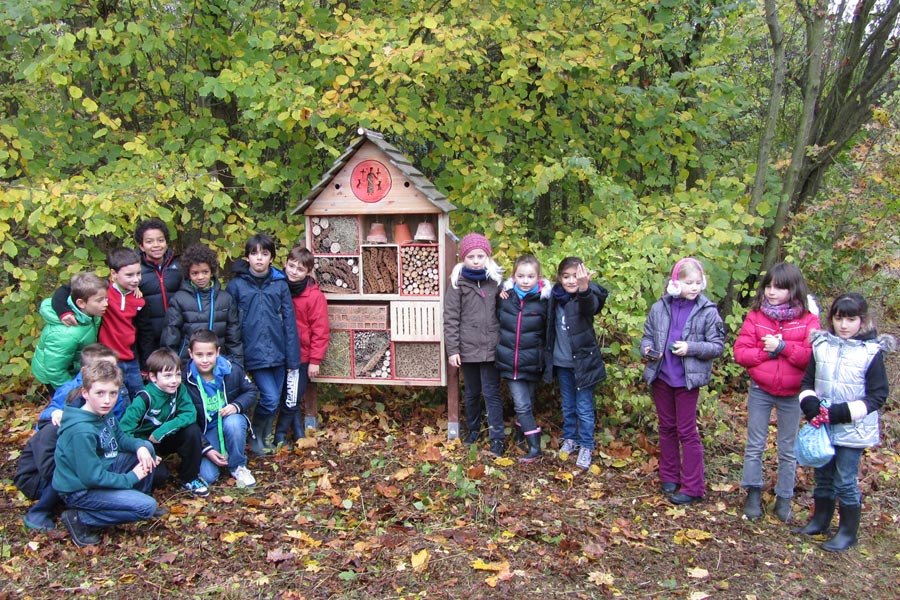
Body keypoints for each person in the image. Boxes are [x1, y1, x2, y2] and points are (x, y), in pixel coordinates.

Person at [794, 293, 894, 552]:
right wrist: (810, 404)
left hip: (853, 429)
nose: (844, 325)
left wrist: (843, 413)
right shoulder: (822, 345)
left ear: (863, 321)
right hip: (823, 426)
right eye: (839, 319)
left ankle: (848, 533)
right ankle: (820, 521)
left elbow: (877, 395)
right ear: (832, 319)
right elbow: (808, 382)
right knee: (823, 476)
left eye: (851, 319)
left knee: (845, 480)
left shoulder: (871, 353)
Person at [734, 262, 820, 522]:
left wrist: (782, 347)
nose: (772, 292)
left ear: (793, 290)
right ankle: (752, 493)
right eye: (769, 286)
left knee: (788, 448)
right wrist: (765, 353)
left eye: (779, 288)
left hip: (793, 393)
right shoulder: (757, 316)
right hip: (761, 388)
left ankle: (784, 499)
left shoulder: (809, 320)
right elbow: (741, 352)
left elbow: (812, 358)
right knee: (755, 444)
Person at [640, 257, 724, 505]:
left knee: (687, 432)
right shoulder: (660, 308)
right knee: (666, 427)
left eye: (698, 282)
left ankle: (693, 487)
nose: (695, 287)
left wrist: (691, 347)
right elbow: (647, 336)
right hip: (662, 376)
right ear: (675, 284)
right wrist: (646, 350)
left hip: (687, 380)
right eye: (689, 283)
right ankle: (669, 476)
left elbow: (717, 346)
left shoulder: (708, 311)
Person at [52, 361, 160, 547]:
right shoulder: (81, 431)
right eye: (100, 393)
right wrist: (131, 477)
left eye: (113, 393)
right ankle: (80, 518)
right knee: (147, 508)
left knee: (146, 448)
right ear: (85, 393)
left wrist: (140, 446)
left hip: (104, 466)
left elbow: (120, 439)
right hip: (81, 490)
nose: (107, 400)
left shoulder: (103, 413)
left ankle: (130, 499)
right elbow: (92, 477)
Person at [226, 233, 301, 455]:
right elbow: (231, 324)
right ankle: (256, 437)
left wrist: (292, 357)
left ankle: (266, 438)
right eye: (254, 253)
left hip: (278, 351)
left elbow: (289, 322)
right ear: (247, 257)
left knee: (275, 398)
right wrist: (235, 356)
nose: (259, 258)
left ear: (271, 258)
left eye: (265, 254)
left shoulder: (279, 284)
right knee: (268, 397)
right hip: (253, 353)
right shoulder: (236, 286)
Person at [50, 248, 147, 401]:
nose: (135, 279)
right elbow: (65, 290)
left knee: (140, 398)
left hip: (131, 358)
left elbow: (141, 330)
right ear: (113, 274)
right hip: (107, 359)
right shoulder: (102, 292)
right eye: (129, 275)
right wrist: (64, 311)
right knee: (119, 401)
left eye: (138, 274)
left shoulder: (138, 297)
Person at [544, 257, 609, 471]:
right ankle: (570, 438)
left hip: (583, 364)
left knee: (584, 407)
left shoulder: (587, 295)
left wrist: (584, 287)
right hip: (562, 362)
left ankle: (587, 444)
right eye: (566, 276)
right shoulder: (555, 296)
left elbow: (591, 307)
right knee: (568, 404)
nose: (571, 280)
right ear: (559, 278)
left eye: (575, 276)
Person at [443, 233, 504, 456]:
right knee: (471, 393)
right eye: (471, 256)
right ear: (463, 258)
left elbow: (507, 309)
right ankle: (473, 430)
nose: (476, 260)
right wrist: (453, 350)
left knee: (491, 393)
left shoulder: (496, 282)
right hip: (467, 349)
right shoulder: (457, 282)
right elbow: (450, 317)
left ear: (487, 257)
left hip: (491, 348)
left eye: (480, 256)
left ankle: (497, 437)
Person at [120, 348, 209, 497]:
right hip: (144, 444)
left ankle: (190, 477)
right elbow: (123, 431)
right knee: (160, 476)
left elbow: (190, 413)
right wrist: (142, 447)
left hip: (162, 437)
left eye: (177, 375)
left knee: (192, 430)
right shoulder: (144, 398)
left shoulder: (179, 389)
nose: (174, 380)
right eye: (167, 376)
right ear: (153, 377)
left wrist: (163, 430)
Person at [183, 329, 258, 488]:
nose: (205, 360)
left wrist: (236, 406)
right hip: (206, 430)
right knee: (207, 476)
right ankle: (220, 452)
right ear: (190, 354)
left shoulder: (232, 369)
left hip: (229, 422)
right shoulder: (185, 379)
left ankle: (238, 465)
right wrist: (207, 449)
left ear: (217, 352)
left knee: (234, 423)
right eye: (199, 355)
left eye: (209, 354)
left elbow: (251, 391)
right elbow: (186, 421)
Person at [495, 255, 550, 462]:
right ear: (513, 276)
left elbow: (548, 333)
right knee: (522, 405)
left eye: (530, 276)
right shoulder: (505, 298)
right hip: (511, 361)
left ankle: (519, 436)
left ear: (538, 277)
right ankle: (535, 447)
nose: (525, 280)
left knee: (527, 402)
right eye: (521, 276)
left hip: (533, 362)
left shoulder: (544, 301)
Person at [277, 245, 330, 446]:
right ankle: (297, 432)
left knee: (294, 396)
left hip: (301, 355)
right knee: (283, 395)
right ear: (285, 264)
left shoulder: (313, 296)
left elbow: (320, 329)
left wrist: (315, 360)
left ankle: (286, 435)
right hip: (279, 352)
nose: (293, 272)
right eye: (291, 266)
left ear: (308, 272)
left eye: (300, 269)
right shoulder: (278, 286)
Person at [161, 243, 243, 366]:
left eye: (205, 272)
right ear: (188, 273)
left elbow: (233, 338)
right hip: (187, 363)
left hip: (218, 362)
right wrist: (172, 364)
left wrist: (237, 365)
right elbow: (171, 335)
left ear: (212, 272)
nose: (200, 277)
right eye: (195, 273)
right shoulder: (179, 299)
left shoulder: (225, 299)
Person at [31, 273, 108, 390]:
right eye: (100, 300)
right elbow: (55, 371)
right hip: (55, 376)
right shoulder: (65, 334)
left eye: (106, 298)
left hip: (75, 367)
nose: (106, 304)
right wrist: (72, 393)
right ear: (81, 303)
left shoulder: (91, 314)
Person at [133, 218, 183, 372]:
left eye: (160, 240)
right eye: (149, 241)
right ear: (141, 246)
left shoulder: (179, 265)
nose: (156, 245)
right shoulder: (134, 269)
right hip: (148, 336)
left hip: (177, 334)